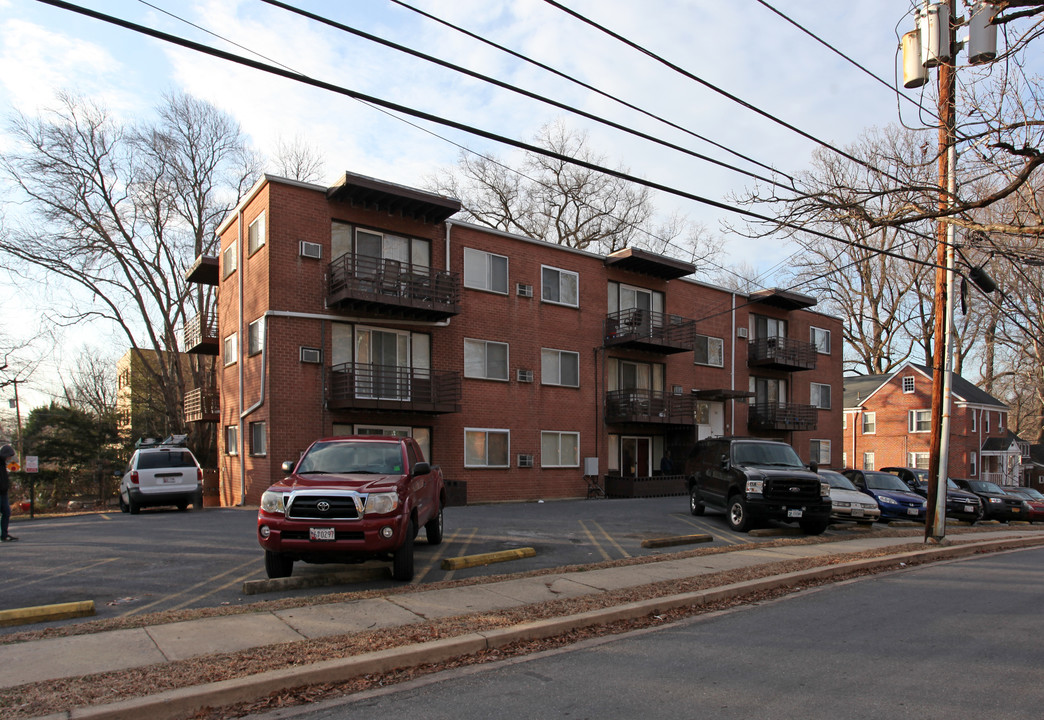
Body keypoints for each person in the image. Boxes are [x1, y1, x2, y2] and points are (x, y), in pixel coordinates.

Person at [0, 444, 16, 542]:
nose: (10, 458)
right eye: (9, 455)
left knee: (6, 512)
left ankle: (4, 535)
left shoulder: (3, 464)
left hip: (4, 493)